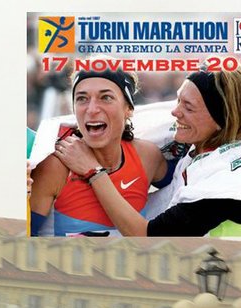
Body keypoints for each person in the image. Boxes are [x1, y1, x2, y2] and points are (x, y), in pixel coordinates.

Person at [56, 70, 241, 237]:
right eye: (178, 99)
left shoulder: (225, 186)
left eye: (188, 107)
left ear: (223, 121)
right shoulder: (207, 139)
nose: (175, 111)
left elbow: (144, 236)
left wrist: (93, 172)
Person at [30, 70, 165, 235]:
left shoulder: (147, 156)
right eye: (82, 99)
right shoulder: (56, 165)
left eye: (106, 97)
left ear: (128, 108)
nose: (92, 109)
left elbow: (185, 186)